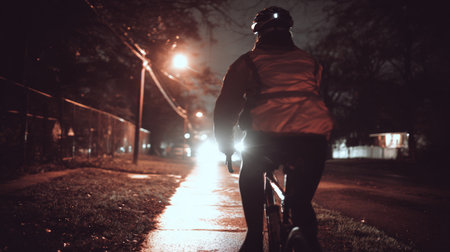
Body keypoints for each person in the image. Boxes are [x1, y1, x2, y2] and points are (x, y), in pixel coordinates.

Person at [213, 6, 333, 252]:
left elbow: (226, 108)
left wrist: (226, 146)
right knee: (300, 203)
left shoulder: (246, 63)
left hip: (266, 137)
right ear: (289, 31)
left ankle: (254, 237)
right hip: (313, 139)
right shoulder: (310, 62)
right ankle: (308, 238)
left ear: (258, 33)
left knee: (251, 169)